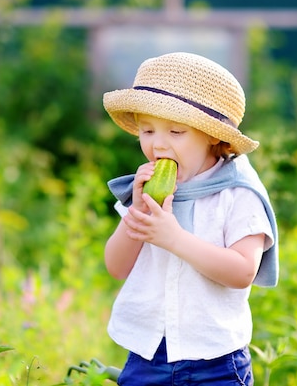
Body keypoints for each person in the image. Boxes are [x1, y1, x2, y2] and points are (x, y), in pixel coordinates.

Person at [103, 52, 279, 386]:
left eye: (175, 131)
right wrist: (138, 212)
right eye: (148, 130)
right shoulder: (147, 191)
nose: (158, 144)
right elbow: (117, 266)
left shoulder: (237, 194)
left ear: (212, 135)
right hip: (148, 356)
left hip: (217, 362)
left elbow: (243, 271)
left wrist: (174, 238)